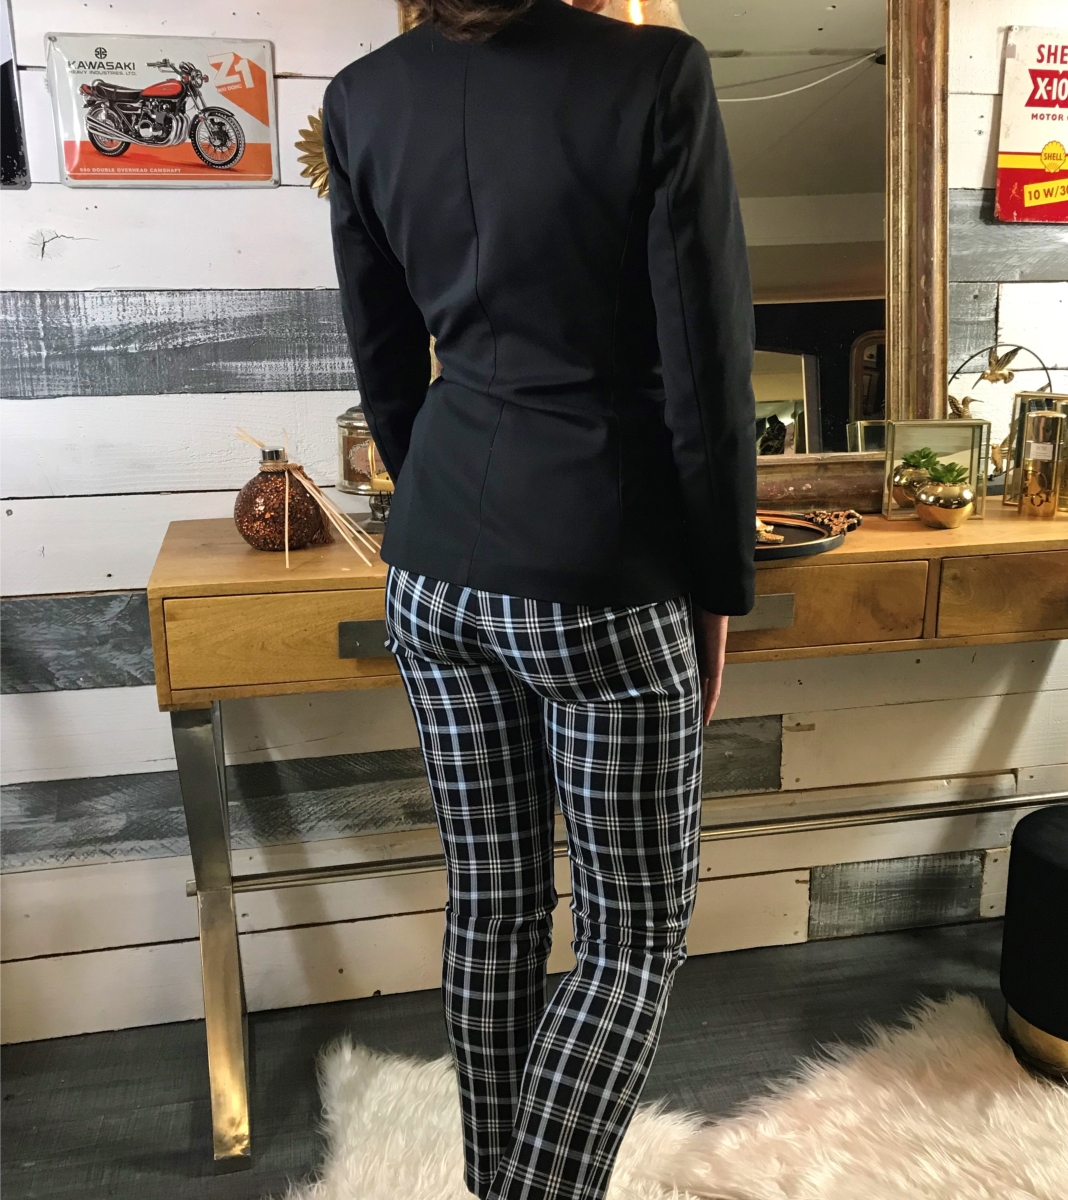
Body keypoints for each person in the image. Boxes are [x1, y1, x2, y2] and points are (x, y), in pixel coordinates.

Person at [323, 0, 756, 1194]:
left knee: (494, 904)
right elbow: (707, 364)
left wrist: (435, 499)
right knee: (633, 936)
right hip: (600, 567)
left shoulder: (362, 99)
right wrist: (719, 583)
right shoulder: (655, 74)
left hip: (434, 571)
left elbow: (380, 350)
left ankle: (494, 1181)